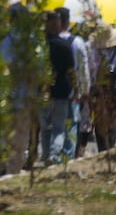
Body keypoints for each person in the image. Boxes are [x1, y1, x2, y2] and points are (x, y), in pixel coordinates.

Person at [89, 23, 116, 152]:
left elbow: (90, 71)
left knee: (98, 118)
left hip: (97, 90)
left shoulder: (93, 51)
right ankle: (111, 147)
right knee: (113, 119)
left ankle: (102, 147)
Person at [55, 7, 89, 160]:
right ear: (68, 21)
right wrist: (85, 90)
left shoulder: (50, 41)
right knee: (72, 124)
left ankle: (53, 155)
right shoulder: (77, 42)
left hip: (53, 91)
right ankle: (67, 156)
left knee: (55, 126)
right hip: (73, 90)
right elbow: (83, 68)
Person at [41, 11, 74, 165]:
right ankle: (53, 155)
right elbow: (70, 72)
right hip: (61, 91)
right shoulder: (65, 46)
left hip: (43, 92)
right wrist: (76, 90)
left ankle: (46, 153)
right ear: (59, 25)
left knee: (45, 126)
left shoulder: (40, 46)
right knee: (59, 127)